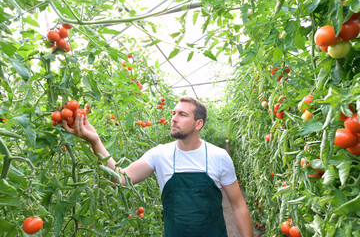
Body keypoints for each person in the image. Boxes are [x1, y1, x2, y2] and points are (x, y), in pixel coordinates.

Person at [63, 96, 253, 237]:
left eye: (182, 115)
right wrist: (95, 141)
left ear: (198, 124)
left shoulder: (218, 156)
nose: (173, 118)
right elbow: (120, 178)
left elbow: (237, 205)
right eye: (173, 113)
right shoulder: (160, 154)